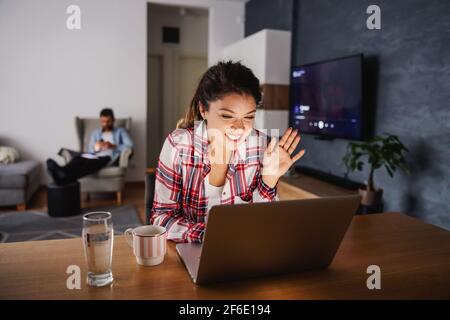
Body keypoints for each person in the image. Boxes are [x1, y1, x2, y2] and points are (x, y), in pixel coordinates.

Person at [150, 61, 306, 243]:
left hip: (244, 251)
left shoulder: (262, 147)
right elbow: (161, 220)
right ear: (203, 109)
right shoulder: (178, 146)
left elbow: (263, 222)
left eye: (248, 117)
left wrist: (269, 181)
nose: (240, 128)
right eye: (227, 116)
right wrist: (211, 235)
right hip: (190, 253)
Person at [46, 108, 133, 185]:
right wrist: (96, 148)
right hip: (95, 155)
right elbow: (91, 150)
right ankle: (62, 173)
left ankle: (61, 175)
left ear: (113, 120)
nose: (106, 124)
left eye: (108, 121)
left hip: (108, 157)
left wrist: (113, 146)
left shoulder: (120, 131)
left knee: (90, 162)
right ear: (100, 120)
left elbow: (130, 145)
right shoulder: (95, 133)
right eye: (103, 121)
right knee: (78, 158)